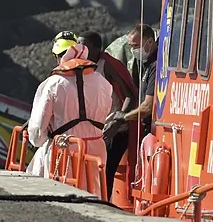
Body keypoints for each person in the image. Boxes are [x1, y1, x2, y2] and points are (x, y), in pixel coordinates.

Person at [26, 34, 113, 193]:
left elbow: (37, 132)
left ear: (60, 57)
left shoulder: (54, 83)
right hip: (96, 150)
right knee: (94, 195)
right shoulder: (103, 82)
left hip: (64, 150)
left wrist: (39, 141)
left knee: (60, 195)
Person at [77, 30, 137, 195]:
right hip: (94, 131)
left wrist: (116, 123)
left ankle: (103, 207)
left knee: (105, 173)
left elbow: (130, 96)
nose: (82, 50)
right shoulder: (79, 65)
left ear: (97, 49)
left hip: (113, 132)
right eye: (79, 46)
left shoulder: (107, 65)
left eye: (85, 46)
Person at [119, 24, 158, 138]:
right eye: (131, 46)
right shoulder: (143, 62)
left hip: (153, 129)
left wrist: (124, 117)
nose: (133, 50)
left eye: (136, 46)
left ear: (150, 41)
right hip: (144, 127)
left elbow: (147, 107)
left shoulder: (156, 65)